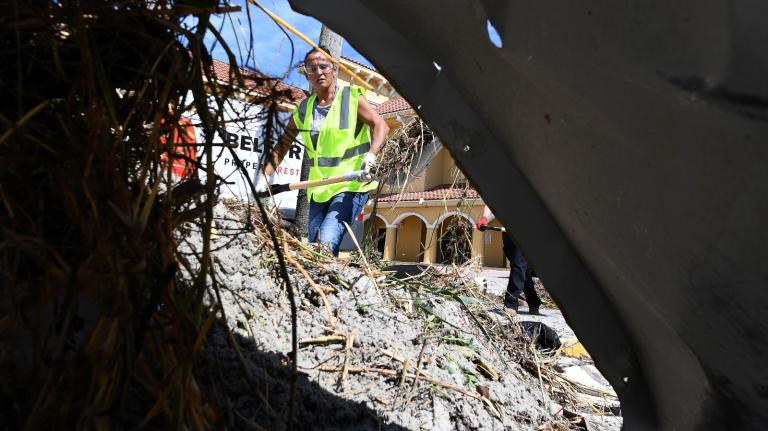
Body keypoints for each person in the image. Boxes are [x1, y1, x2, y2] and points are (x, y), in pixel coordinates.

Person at [255, 47, 390, 256]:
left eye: (323, 66)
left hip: (351, 184)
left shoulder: (351, 98)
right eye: (312, 68)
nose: (319, 72)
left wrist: (371, 156)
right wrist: (265, 175)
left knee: (326, 243)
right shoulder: (304, 109)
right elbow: (283, 144)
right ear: (307, 75)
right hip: (319, 190)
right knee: (316, 247)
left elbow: (381, 125)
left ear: (334, 69)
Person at [476, 205, 542, 317]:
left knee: (518, 265)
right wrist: (484, 218)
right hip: (508, 232)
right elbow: (491, 201)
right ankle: (534, 301)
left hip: (527, 230)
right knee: (521, 269)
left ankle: (510, 304)